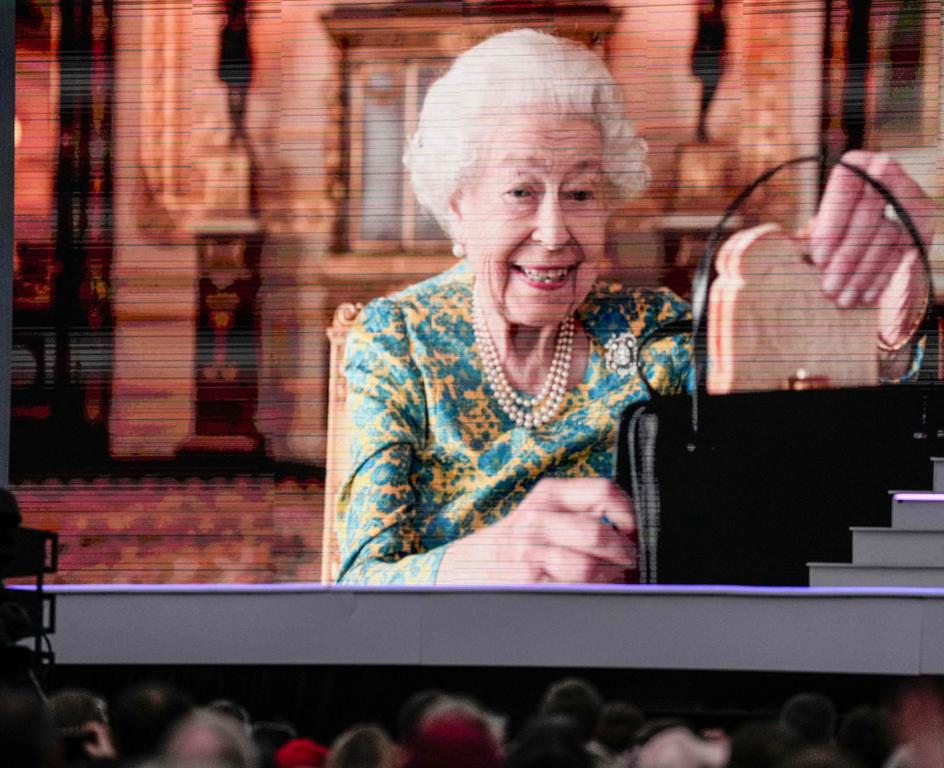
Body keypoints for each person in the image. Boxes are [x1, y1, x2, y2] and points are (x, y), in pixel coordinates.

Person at [335, 29, 935, 586]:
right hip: (454, 664)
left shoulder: (655, 333)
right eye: (521, 192)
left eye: (582, 194)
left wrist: (877, 324)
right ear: (457, 205)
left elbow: (809, 451)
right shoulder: (399, 340)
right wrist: (495, 555)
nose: (553, 233)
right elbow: (359, 584)